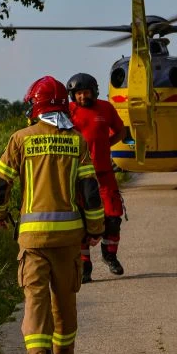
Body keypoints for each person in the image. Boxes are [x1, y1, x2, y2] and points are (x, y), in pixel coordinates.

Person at [0, 76, 105, 354]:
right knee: (65, 301)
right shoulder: (76, 142)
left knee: (35, 302)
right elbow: (90, 193)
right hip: (68, 240)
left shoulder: (20, 139)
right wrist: (95, 229)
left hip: (32, 241)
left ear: (34, 106)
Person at [66, 72, 127, 282]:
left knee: (113, 218)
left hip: (104, 174)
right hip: (79, 176)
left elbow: (121, 131)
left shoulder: (105, 108)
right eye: (78, 94)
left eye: (86, 92)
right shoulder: (67, 112)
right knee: (82, 221)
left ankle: (109, 255)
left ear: (94, 92)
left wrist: (105, 146)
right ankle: (85, 266)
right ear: (73, 95)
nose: (82, 97)